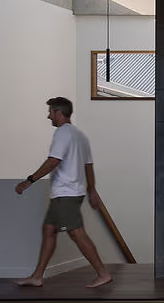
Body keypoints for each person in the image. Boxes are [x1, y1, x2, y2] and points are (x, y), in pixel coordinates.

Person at [13, 97, 115, 288]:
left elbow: (53, 161)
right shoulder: (80, 135)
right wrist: (91, 190)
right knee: (49, 229)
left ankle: (102, 273)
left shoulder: (62, 134)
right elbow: (89, 165)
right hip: (71, 192)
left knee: (76, 233)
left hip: (65, 194)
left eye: (50, 112)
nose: (48, 116)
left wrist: (29, 181)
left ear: (59, 113)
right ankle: (37, 276)